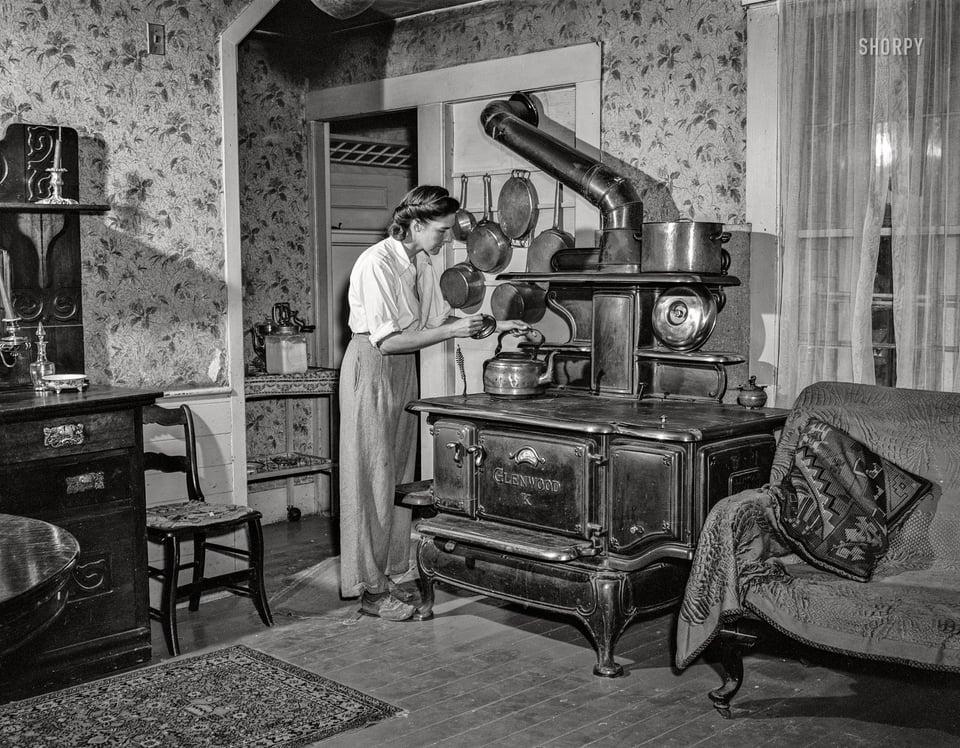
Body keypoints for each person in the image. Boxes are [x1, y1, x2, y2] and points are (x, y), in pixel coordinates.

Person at [339, 184, 528, 621]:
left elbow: (435, 321)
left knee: (398, 476)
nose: (447, 239)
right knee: (370, 478)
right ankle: (369, 590)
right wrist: (451, 333)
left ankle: (389, 574)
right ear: (416, 224)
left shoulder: (419, 261)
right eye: (441, 230)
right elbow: (387, 340)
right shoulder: (376, 263)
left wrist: (491, 322)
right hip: (372, 366)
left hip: (403, 371)